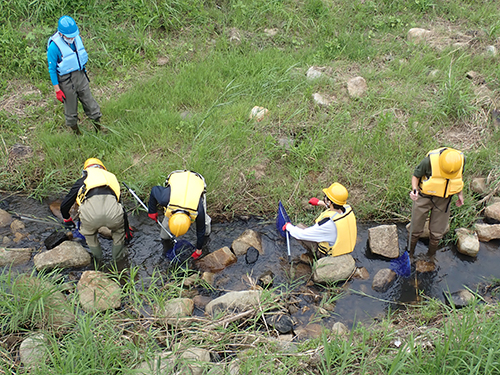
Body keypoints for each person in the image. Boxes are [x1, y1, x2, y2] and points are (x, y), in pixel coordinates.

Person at [61, 158, 130, 265]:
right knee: (118, 233)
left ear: (85, 170)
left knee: (90, 236)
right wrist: (126, 226)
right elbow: (119, 204)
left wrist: (67, 219)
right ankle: (118, 262)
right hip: (113, 214)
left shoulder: (82, 180)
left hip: (90, 216)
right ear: (103, 168)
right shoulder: (111, 178)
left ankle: (99, 262)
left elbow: (65, 205)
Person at [47, 16, 103, 135]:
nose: (72, 38)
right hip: (66, 81)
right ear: (61, 34)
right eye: (69, 36)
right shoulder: (54, 47)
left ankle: (98, 129)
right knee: (71, 110)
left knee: (90, 104)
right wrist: (57, 89)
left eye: (73, 35)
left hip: (80, 76)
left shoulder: (76, 39)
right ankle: (77, 134)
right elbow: (52, 69)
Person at [409, 147, 465, 260]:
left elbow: (457, 179)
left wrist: (460, 194)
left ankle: (431, 256)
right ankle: (409, 254)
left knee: (437, 232)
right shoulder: (429, 161)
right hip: (424, 196)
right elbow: (416, 176)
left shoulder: (460, 161)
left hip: (444, 199)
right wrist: (414, 190)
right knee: (415, 228)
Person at [147, 170, 211, 260]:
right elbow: (154, 190)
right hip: (178, 177)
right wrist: (152, 210)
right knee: (165, 234)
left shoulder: (198, 210)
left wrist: (199, 249)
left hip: (196, 181)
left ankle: (207, 236)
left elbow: (200, 230)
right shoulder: (164, 199)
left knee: (204, 224)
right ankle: (165, 239)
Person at [283, 182, 357, 259]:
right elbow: (336, 210)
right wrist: (320, 203)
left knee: (299, 227)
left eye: (325, 196)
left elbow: (301, 234)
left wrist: (289, 227)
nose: (324, 197)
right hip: (343, 248)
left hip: (330, 255)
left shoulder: (328, 224)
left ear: (329, 202)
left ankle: (315, 258)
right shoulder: (347, 209)